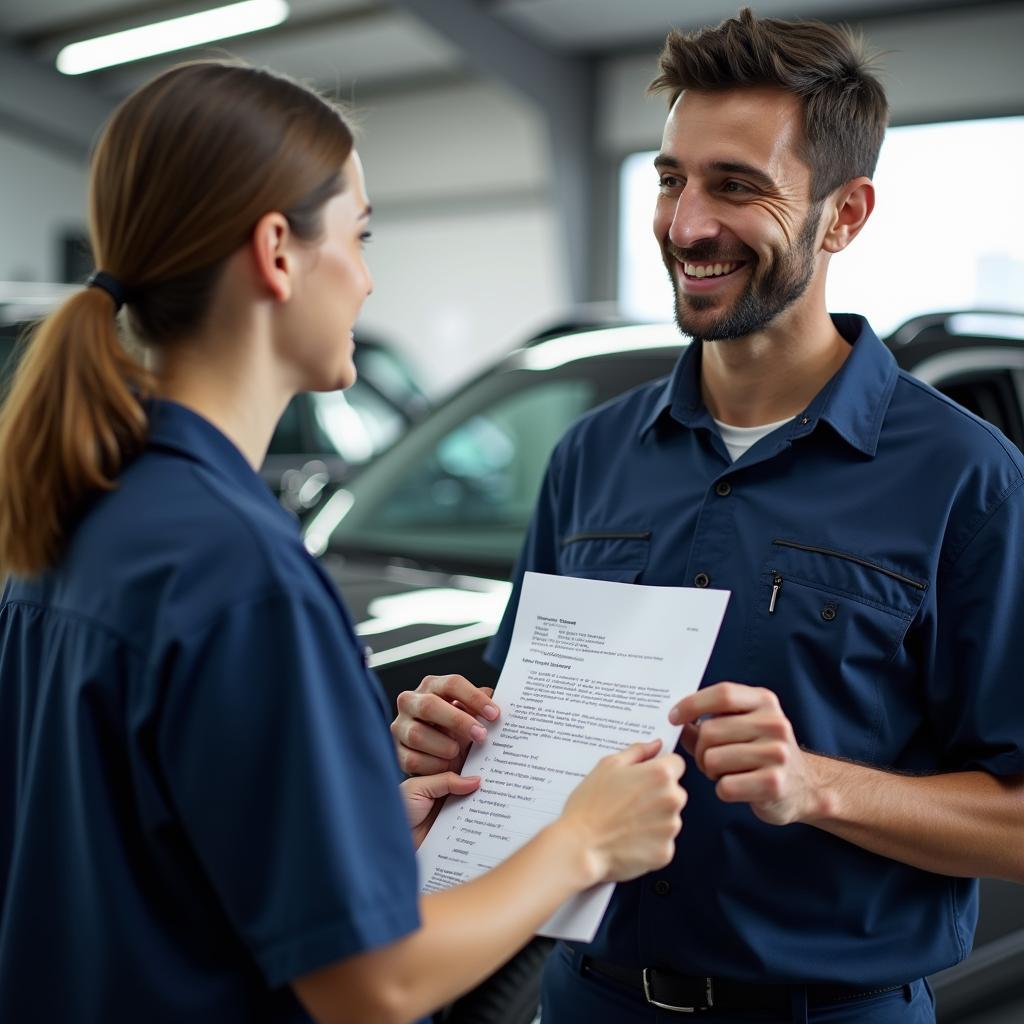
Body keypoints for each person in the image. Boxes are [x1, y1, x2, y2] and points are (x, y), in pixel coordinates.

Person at [0, 60, 689, 1024]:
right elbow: (373, 985)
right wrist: (583, 842)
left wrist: (352, 841)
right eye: (359, 237)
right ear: (277, 251)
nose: (367, 279)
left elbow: (126, 861)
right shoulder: (241, 573)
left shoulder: (70, 520)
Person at [391, 9, 1024, 1023]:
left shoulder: (967, 477)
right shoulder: (589, 457)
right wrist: (451, 740)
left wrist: (814, 783)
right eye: (670, 178)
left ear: (844, 214)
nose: (686, 224)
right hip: (589, 998)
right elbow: (518, 734)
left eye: (735, 186)